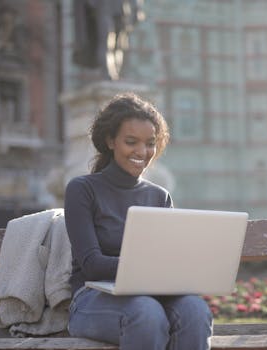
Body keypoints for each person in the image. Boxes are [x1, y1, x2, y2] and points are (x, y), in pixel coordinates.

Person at [64, 92, 213, 349]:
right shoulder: (82, 189)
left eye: (150, 143)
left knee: (195, 310)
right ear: (111, 141)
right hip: (94, 297)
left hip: (151, 293)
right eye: (131, 142)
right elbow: (92, 265)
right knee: (146, 313)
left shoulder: (159, 196)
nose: (142, 152)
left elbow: (166, 259)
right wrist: (148, 267)